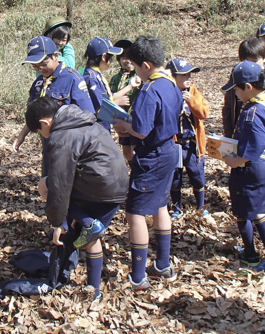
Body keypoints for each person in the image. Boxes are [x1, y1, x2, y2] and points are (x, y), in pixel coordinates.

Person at [25, 97, 129, 299]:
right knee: (90, 237)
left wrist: (56, 223)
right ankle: (94, 291)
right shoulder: (85, 120)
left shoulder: (61, 136)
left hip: (99, 186)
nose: (43, 136)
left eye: (40, 133)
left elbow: (60, 184)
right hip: (118, 186)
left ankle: (88, 222)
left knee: (44, 185)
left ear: (45, 123)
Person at [112, 36, 182, 291]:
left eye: (138, 67)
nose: (137, 73)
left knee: (135, 212)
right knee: (160, 205)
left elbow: (141, 130)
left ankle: (138, 276)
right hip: (169, 150)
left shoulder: (150, 89)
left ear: (147, 64)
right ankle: (163, 264)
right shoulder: (172, 84)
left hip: (151, 155)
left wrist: (122, 125)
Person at [221, 61, 265, 272]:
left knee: (246, 211)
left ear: (248, 87)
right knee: (260, 209)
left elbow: (251, 148)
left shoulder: (252, 114)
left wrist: (233, 160)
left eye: (236, 89)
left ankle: (256, 254)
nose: (235, 94)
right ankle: (262, 253)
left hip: (251, 169)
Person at [12, 36, 94, 176]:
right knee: (49, 182)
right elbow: (34, 115)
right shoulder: (38, 84)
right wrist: (21, 136)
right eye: (35, 66)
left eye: (43, 64)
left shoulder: (72, 79)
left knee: (66, 185)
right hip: (48, 145)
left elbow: (88, 115)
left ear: (55, 56)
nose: (40, 69)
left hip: (70, 146)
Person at [223, 38, 265, 197]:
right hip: (242, 131)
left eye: (255, 61)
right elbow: (228, 109)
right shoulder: (237, 81)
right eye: (246, 62)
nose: (251, 66)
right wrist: (228, 135)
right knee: (245, 163)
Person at [165, 58, 209, 219]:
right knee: (175, 178)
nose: (189, 77)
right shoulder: (168, 93)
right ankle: (177, 207)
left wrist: (190, 100)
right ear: (173, 77)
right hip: (175, 144)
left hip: (192, 144)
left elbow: (204, 113)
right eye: (184, 75)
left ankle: (201, 206)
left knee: (197, 175)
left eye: (190, 74)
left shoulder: (193, 92)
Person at [83, 37, 140, 131]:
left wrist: (131, 86)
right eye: (111, 57)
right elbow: (98, 110)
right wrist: (117, 103)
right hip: (98, 130)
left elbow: (109, 97)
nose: (112, 61)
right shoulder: (91, 78)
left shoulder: (95, 74)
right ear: (104, 57)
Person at [109, 40, 140, 161]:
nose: (127, 60)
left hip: (135, 119)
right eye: (123, 58)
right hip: (121, 119)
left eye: (129, 57)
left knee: (135, 150)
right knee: (127, 153)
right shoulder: (116, 78)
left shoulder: (138, 76)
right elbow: (110, 96)